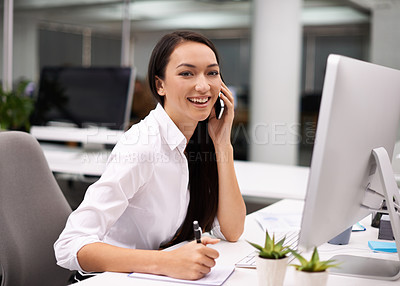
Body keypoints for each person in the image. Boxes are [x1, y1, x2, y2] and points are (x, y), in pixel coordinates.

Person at [54, 30, 246, 281]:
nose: (203, 85)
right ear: (160, 85)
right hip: (109, 279)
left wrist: (223, 145)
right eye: (187, 73)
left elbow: (232, 231)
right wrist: (166, 261)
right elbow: (69, 245)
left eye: (212, 72)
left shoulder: (200, 141)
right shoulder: (141, 146)